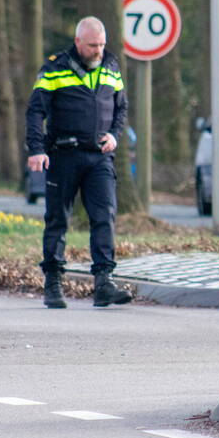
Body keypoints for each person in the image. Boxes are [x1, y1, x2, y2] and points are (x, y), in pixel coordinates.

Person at [25, 16, 133, 309]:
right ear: (78, 43)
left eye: (101, 45)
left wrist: (114, 134)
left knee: (104, 216)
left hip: (99, 157)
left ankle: (103, 282)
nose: (98, 51)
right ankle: (53, 282)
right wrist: (36, 149)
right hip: (63, 155)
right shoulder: (55, 68)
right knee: (58, 218)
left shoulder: (111, 66)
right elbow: (36, 111)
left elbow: (121, 108)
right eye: (92, 45)